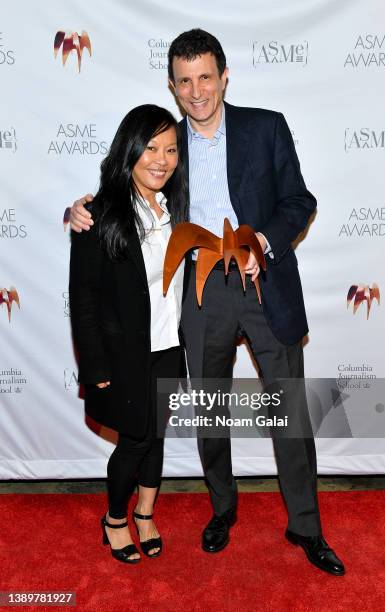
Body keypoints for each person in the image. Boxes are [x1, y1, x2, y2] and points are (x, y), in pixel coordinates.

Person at [69, 29, 345, 576]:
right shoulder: (168, 147)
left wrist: (260, 243)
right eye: (184, 81)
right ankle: (222, 509)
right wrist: (81, 209)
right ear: (172, 86)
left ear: (223, 76)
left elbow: (299, 201)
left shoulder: (267, 127)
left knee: (288, 412)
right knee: (210, 410)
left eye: (205, 77)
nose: (197, 91)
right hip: (197, 292)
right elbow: (126, 188)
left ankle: (307, 527)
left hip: (263, 281)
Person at [69, 104, 188, 564]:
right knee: (135, 440)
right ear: (130, 151)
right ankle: (115, 518)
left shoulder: (179, 207)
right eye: (151, 148)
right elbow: (84, 298)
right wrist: (95, 366)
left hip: (169, 349)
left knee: (155, 435)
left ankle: (145, 513)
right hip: (124, 356)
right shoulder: (99, 215)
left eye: (171, 148)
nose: (161, 159)